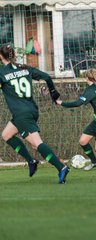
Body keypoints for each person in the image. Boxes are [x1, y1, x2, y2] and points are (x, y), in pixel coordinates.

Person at [0, 44, 69, 183]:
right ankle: (31, 160)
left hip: (21, 114)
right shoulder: (25, 68)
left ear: (1, 56)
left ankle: (61, 167)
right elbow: (46, 77)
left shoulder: (2, 73)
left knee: (37, 144)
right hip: (31, 110)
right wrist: (54, 93)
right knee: (6, 135)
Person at [56, 69, 96, 171]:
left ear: (86, 78)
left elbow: (77, 103)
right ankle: (95, 162)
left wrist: (61, 103)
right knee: (83, 141)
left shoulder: (91, 90)